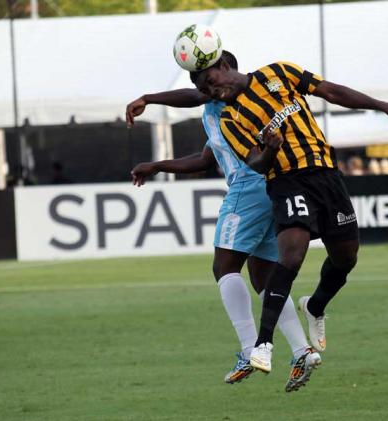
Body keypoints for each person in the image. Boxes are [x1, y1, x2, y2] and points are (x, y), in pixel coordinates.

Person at [190, 56, 388, 372]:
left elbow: (332, 91)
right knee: (291, 255)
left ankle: (314, 307)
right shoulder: (230, 119)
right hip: (286, 180)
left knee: (346, 257)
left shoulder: (279, 72)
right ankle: (263, 346)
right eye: (206, 91)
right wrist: (270, 150)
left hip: (326, 175)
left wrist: (382, 105)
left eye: (211, 83)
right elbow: (255, 163)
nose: (213, 92)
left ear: (224, 66)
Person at [126, 51, 320, 393]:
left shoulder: (226, 102)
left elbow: (193, 96)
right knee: (263, 277)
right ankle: (302, 351)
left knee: (224, 266)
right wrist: (157, 165)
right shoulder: (218, 113)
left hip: (249, 186)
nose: (201, 87)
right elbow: (204, 159)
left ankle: (249, 350)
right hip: (270, 190)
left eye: (203, 79)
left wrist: (149, 98)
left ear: (221, 71)